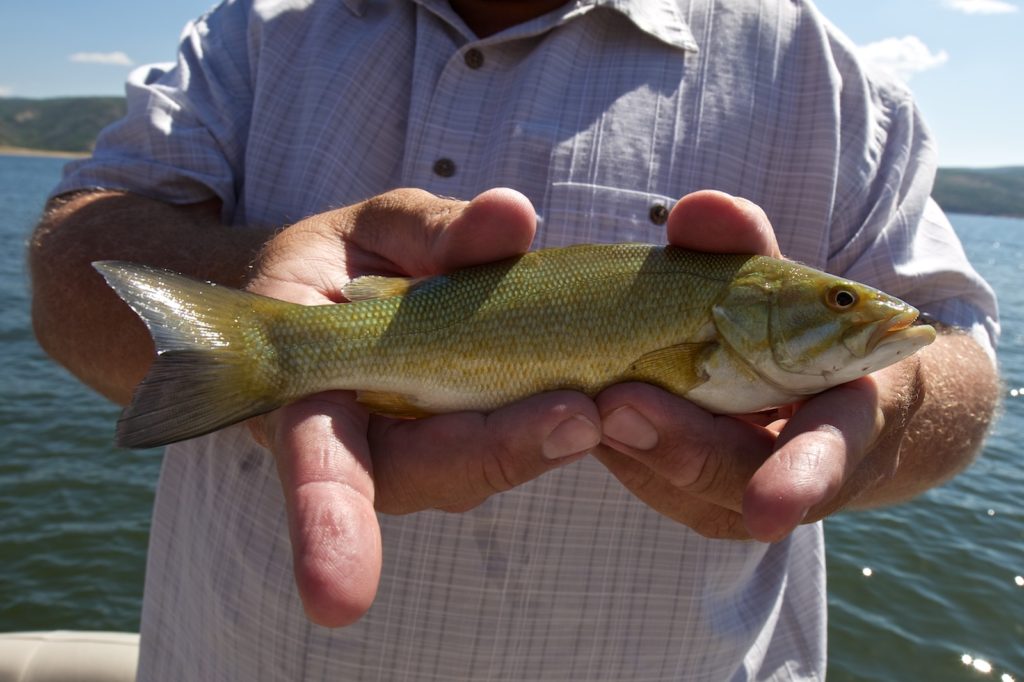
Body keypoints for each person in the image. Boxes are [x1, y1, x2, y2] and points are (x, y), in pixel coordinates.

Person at [29, 0, 999, 679]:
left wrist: (886, 412)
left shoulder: (827, 78)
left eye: (832, 305)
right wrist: (261, 295)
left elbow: (949, 345)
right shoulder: (254, 31)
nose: (854, 311)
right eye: (834, 304)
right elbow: (73, 253)